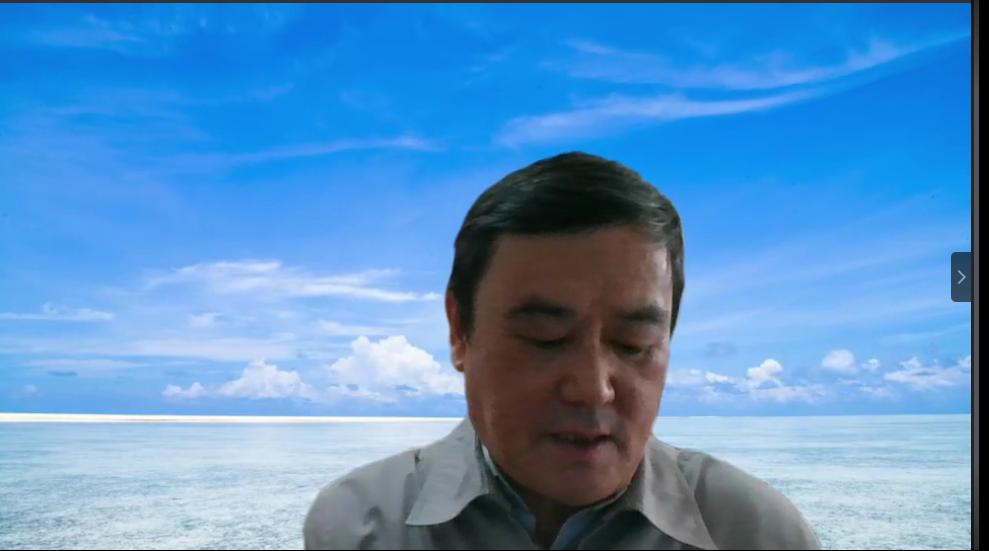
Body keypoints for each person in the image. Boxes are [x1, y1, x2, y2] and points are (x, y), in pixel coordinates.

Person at [304, 152, 821, 550]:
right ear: (460, 331)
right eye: (544, 339)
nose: (593, 388)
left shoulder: (757, 533)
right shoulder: (357, 526)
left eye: (634, 344)